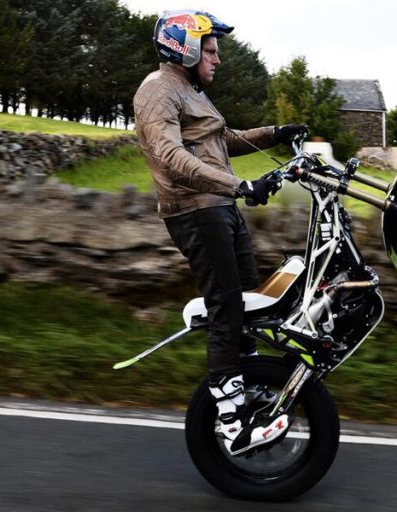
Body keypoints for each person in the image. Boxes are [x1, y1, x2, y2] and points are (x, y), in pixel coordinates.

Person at [133, 9, 307, 455]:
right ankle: (231, 423)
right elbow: (170, 155)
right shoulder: (157, 91)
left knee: (249, 302)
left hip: (219, 208)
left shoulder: (190, 92)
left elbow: (220, 140)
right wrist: (239, 185)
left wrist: (275, 133)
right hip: (196, 211)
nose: (218, 59)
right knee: (227, 306)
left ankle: (248, 390)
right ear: (185, 49)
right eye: (211, 50)